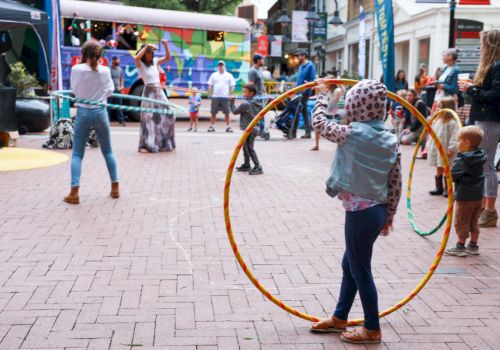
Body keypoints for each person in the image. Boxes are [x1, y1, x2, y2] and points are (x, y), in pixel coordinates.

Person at [310, 79, 401, 344]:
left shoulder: (350, 133)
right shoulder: (391, 140)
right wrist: (390, 215)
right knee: (350, 263)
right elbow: (395, 181)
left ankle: (372, 328)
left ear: (356, 106)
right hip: (376, 212)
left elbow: (318, 123)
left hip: (361, 213)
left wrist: (322, 96)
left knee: (360, 268)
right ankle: (340, 317)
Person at [64, 40, 119, 205]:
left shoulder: (77, 69)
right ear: (99, 55)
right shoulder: (105, 70)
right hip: (100, 111)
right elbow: (110, 91)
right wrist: (99, 96)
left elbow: (74, 90)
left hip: (83, 112)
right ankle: (115, 188)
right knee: (108, 150)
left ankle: (74, 192)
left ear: (83, 54)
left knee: (78, 154)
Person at [460, 29, 500, 227]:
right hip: (485, 118)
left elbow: (495, 95)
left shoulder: (497, 66)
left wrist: (471, 89)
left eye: (483, 43)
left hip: (491, 119)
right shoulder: (492, 66)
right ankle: (485, 207)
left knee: (488, 165)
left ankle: (490, 210)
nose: (480, 47)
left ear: (490, 45)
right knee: (486, 163)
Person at [445, 126, 486, 256]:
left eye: (458, 140)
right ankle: (473, 245)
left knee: (461, 221)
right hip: (478, 196)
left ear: (467, 143)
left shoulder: (463, 159)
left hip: (465, 197)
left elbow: (453, 175)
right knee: (474, 220)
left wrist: (450, 170)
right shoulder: (480, 155)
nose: (457, 143)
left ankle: (460, 246)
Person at [134, 39, 175, 153]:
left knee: (169, 115)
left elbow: (167, 58)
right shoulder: (140, 64)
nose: (151, 55)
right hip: (149, 92)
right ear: (145, 53)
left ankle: (164, 142)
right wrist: (147, 46)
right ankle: (148, 144)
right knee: (149, 120)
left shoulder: (155, 61)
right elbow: (136, 57)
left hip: (159, 91)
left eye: (152, 52)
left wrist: (166, 45)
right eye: (149, 52)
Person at [427, 97, 460, 197]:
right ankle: (439, 187)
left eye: (439, 107)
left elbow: (455, 137)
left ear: (446, 108)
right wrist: (429, 145)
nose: (437, 109)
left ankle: (448, 188)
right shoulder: (437, 120)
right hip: (437, 149)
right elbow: (432, 134)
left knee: (447, 168)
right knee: (439, 166)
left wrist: (451, 148)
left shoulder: (452, 122)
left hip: (446, 149)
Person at [229, 84, 263, 175]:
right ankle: (247, 164)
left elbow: (235, 111)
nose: (243, 94)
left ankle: (258, 166)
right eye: (243, 92)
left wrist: (231, 102)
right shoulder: (257, 102)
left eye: (245, 92)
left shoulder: (245, 104)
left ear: (251, 93)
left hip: (250, 129)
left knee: (249, 148)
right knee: (245, 147)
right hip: (254, 128)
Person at [311, 77, 345, 151]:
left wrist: (340, 84)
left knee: (322, 125)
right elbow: (320, 92)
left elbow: (341, 93)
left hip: (332, 111)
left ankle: (340, 145)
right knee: (317, 127)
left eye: (327, 82)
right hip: (326, 110)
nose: (326, 83)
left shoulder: (337, 90)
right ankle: (317, 145)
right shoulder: (327, 90)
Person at [290, 49, 316, 139]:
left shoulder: (310, 65)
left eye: (299, 56)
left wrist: (306, 85)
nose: (297, 57)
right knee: (303, 111)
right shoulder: (301, 66)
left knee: (297, 111)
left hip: (305, 92)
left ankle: (293, 132)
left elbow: (312, 80)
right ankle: (307, 132)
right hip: (298, 91)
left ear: (304, 56)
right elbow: (299, 80)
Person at [207, 61, 235, 133]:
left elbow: (232, 86)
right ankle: (212, 126)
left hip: (225, 97)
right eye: (219, 65)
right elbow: (210, 85)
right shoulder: (214, 75)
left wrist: (230, 94)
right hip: (215, 97)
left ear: (224, 66)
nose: (220, 67)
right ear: (218, 67)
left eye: (222, 65)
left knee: (227, 113)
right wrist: (210, 94)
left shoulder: (229, 75)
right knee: (213, 113)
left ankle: (228, 127)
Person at [431, 48, 461, 114]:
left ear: (450, 57)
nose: (442, 58)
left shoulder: (456, 70)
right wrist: (435, 82)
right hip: (439, 97)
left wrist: (441, 86)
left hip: (448, 100)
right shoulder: (445, 68)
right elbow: (440, 82)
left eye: (444, 56)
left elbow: (455, 88)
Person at [248, 53, 266, 135]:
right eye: (262, 59)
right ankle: (260, 130)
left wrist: (265, 92)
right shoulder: (252, 71)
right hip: (256, 97)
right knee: (258, 114)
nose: (263, 61)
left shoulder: (259, 70)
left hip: (261, 96)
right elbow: (251, 84)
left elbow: (261, 83)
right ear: (258, 61)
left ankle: (261, 130)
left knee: (261, 113)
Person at [109, 56, 126, 126]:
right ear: (113, 61)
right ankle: (107, 121)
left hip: (118, 90)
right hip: (110, 90)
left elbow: (121, 78)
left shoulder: (120, 69)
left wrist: (122, 86)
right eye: (116, 60)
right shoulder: (108, 69)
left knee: (119, 106)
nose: (118, 62)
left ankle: (121, 121)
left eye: (118, 60)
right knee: (108, 106)